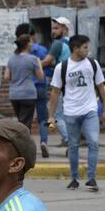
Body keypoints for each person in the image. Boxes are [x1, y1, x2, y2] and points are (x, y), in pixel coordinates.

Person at [48, 34, 105, 192]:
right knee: (73, 145)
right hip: (71, 112)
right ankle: (74, 178)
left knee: (93, 142)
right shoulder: (62, 67)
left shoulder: (93, 63)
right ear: (75, 49)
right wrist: (51, 116)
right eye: (85, 47)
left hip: (90, 110)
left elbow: (101, 87)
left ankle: (92, 178)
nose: (88, 50)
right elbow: (55, 92)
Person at [16, 23, 51, 157]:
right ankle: (44, 142)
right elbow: (47, 67)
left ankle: (25, 146)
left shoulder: (19, 52)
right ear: (32, 36)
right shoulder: (42, 50)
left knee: (25, 120)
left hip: (26, 89)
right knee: (44, 118)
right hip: (41, 86)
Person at [41, 17, 72, 148]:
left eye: (56, 28)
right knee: (65, 114)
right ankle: (67, 139)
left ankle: (69, 141)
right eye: (52, 28)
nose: (53, 31)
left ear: (64, 30)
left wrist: (32, 65)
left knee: (54, 113)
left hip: (60, 84)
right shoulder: (71, 42)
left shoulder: (57, 44)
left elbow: (46, 62)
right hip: (70, 83)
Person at [5, 34, 44, 129]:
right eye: (31, 42)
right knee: (25, 125)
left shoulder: (11, 58)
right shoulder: (33, 59)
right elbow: (40, 77)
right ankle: (23, 142)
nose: (32, 44)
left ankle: (21, 141)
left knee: (21, 121)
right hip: (28, 94)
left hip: (14, 94)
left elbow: (6, 77)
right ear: (27, 45)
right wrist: (39, 64)